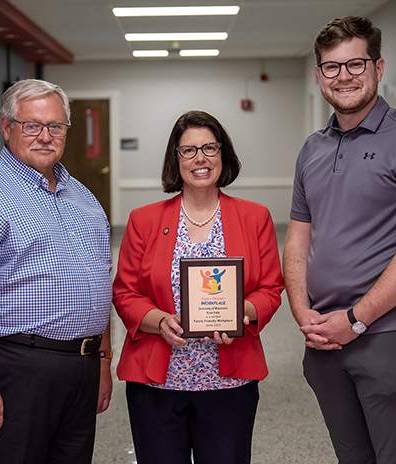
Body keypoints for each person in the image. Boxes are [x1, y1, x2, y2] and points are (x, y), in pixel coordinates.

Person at [283, 16, 396, 463]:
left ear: (378, 68)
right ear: (319, 76)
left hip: (390, 338)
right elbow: (298, 240)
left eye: (355, 64)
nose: (344, 77)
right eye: (332, 67)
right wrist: (304, 314)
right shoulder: (312, 149)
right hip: (325, 345)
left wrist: (355, 319)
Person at [0, 79, 113, 464]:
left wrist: (101, 361)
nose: (45, 136)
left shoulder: (83, 196)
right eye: (31, 125)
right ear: (6, 127)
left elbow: (98, 283)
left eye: (56, 126)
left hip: (77, 368)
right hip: (8, 367)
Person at [113, 110, 284, 464]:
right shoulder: (144, 221)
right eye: (188, 150)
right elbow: (125, 293)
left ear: (224, 154)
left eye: (210, 147)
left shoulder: (255, 217)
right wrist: (159, 320)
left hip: (228, 382)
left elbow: (270, 288)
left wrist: (239, 315)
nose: (200, 159)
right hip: (157, 383)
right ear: (175, 159)